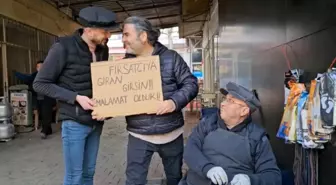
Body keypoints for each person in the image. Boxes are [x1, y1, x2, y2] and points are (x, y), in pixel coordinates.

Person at [33, 6, 118, 185]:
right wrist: (76, 97)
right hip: (74, 122)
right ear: (88, 30)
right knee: (74, 176)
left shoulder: (103, 50)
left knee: (89, 173)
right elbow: (40, 84)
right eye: (105, 31)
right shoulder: (62, 47)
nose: (108, 36)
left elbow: (101, 84)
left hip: (96, 121)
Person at [121, 16, 199, 185]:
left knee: (175, 178)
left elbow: (191, 84)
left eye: (126, 34)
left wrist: (173, 102)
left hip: (171, 133)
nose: (123, 39)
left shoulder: (171, 58)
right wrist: (104, 110)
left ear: (142, 36)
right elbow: (118, 99)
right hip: (138, 135)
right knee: (134, 181)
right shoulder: (123, 66)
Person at [181, 82, 282, 185]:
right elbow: (190, 149)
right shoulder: (208, 124)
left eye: (231, 101)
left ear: (244, 111)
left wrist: (250, 180)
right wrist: (207, 168)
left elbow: (273, 176)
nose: (222, 103)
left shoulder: (257, 138)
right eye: (225, 99)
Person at [14, 61, 56, 138]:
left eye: (42, 66)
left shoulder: (50, 76)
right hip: (37, 99)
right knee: (43, 115)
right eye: (38, 67)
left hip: (47, 99)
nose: (40, 68)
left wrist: (54, 101)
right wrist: (16, 73)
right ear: (36, 68)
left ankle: (44, 131)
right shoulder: (34, 76)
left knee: (46, 114)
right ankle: (48, 129)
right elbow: (26, 78)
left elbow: (54, 87)